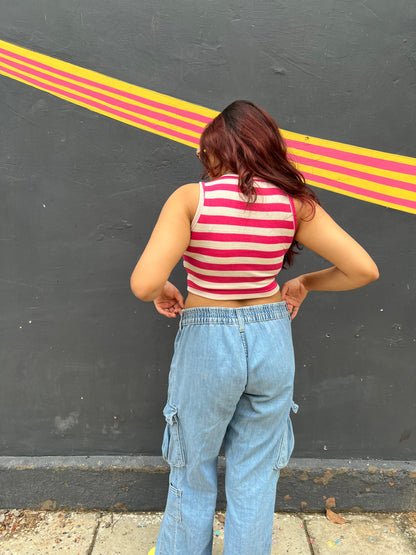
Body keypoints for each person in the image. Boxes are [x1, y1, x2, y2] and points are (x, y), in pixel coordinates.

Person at [130, 100, 379, 555]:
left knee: (193, 466)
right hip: (271, 338)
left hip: (207, 336)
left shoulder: (192, 199)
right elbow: (362, 269)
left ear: (216, 150)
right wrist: (304, 282)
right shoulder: (295, 204)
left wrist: (163, 289)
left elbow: (144, 282)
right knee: (256, 473)